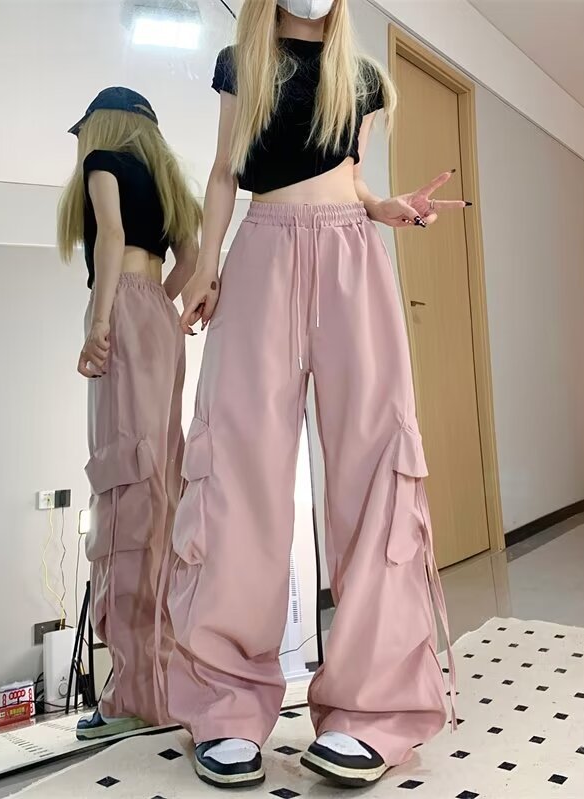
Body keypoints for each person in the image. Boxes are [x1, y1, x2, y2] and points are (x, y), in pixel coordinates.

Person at [165, 0, 463, 788]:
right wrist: (206, 267)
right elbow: (224, 172)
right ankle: (227, 705)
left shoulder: (362, 77)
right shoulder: (242, 65)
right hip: (261, 254)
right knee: (236, 471)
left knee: (376, 465)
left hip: (352, 256)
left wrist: (384, 206)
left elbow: (353, 177)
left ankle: (373, 709)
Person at [57, 87, 202, 741]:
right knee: (160, 486)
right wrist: (156, 304)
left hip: (121, 310)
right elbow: (190, 261)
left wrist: (100, 320)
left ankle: (130, 696)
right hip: (159, 321)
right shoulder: (167, 181)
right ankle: (162, 680)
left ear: (101, 127)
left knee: (122, 491)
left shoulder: (102, 162)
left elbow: (110, 237)